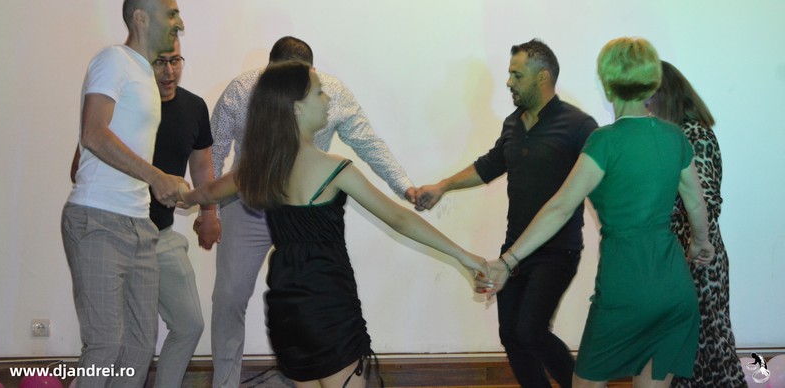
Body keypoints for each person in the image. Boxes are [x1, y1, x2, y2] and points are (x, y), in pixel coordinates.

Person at [180, 61, 487, 387]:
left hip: (286, 310)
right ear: (297, 107)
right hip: (328, 308)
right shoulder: (335, 169)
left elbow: (206, 192)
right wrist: (466, 257)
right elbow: (399, 218)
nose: (327, 99)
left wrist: (180, 195)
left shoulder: (260, 168)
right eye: (319, 93)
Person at [484, 38, 715, 388]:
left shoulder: (604, 142)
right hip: (674, 289)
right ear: (651, 82)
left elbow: (560, 207)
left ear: (608, 85)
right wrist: (700, 244)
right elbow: (696, 204)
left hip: (625, 288)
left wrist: (508, 261)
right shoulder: (674, 137)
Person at [207, 36, 418, 387]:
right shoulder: (242, 90)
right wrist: (208, 211)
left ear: (311, 72)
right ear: (267, 72)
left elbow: (366, 141)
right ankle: (224, 383)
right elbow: (215, 148)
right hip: (251, 202)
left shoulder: (331, 93)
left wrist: (404, 185)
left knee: (312, 300)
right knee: (229, 296)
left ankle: (316, 371)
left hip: (305, 210)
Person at [415, 39, 597, 388]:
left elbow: (601, 177)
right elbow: (490, 165)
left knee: (530, 330)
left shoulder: (578, 125)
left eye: (517, 75)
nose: (509, 82)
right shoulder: (513, 124)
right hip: (514, 249)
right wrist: (442, 186)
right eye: (509, 74)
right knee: (511, 335)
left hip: (558, 251)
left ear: (542, 77)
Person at [62, 0, 191, 388]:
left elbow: (101, 144)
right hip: (99, 220)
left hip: (139, 226)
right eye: (171, 13)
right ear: (141, 17)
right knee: (105, 345)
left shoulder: (145, 75)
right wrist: (155, 177)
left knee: (139, 347)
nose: (179, 23)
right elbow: (93, 134)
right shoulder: (113, 60)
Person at [69, 37, 218, 386]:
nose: (169, 71)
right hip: (113, 233)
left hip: (161, 236)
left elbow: (202, 165)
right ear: (143, 63)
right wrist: (147, 178)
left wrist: (209, 213)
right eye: (160, 62)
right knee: (111, 341)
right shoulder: (124, 103)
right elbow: (79, 168)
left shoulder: (194, 107)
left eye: (176, 61)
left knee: (189, 324)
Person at [647, 61, 746, 387]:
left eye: (647, 97)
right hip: (676, 258)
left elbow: (705, 202)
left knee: (710, 352)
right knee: (682, 353)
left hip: (698, 261)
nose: (643, 106)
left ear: (664, 95)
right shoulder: (666, 137)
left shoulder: (695, 135)